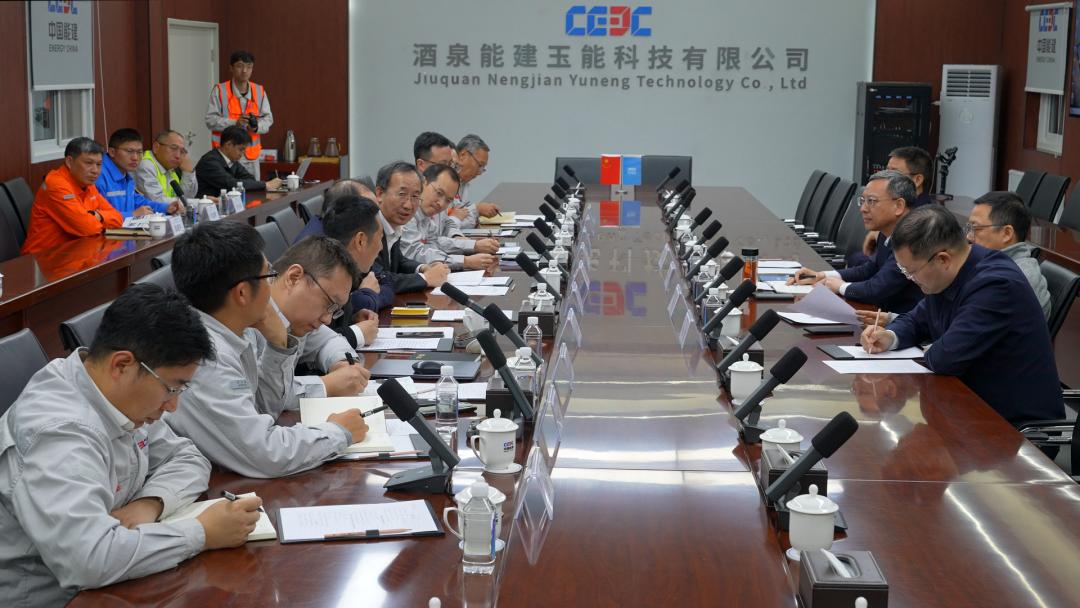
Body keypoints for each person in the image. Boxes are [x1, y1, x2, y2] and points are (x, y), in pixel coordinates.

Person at [0, 284, 261, 607]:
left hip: (112, 584)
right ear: (121, 365)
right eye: (171, 388)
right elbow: (89, 560)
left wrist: (150, 504)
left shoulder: (115, 395)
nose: (172, 406)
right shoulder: (58, 432)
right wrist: (202, 533)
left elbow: (188, 456)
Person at [164, 221, 368, 479]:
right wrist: (338, 432)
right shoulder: (206, 356)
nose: (274, 284)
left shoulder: (239, 331)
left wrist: (279, 345)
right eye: (269, 275)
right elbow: (265, 453)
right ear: (242, 293)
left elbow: (262, 409)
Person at [860, 206, 1064, 425]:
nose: (909, 278)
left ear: (943, 259)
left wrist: (933, 347)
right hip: (966, 408)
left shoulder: (996, 285)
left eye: (911, 271)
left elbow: (945, 358)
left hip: (1012, 425)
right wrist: (889, 336)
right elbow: (916, 320)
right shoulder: (947, 274)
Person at [790, 170, 924, 313]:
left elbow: (876, 289)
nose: (863, 209)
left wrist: (840, 287)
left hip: (904, 321)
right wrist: (822, 276)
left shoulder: (913, 238)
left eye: (871, 201)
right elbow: (869, 269)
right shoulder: (888, 230)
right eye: (862, 201)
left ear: (899, 206)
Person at [266, 236, 373, 407]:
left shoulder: (296, 318)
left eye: (334, 310)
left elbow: (329, 340)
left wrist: (342, 364)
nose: (327, 319)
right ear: (294, 278)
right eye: (328, 303)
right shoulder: (249, 316)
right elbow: (261, 398)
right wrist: (326, 385)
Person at [293, 177, 394, 312]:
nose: (375, 215)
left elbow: (385, 280)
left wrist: (365, 298)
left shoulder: (347, 240)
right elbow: (327, 315)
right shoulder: (316, 253)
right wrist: (364, 298)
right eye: (366, 207)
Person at [21, 137, 123, 255]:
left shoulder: (87, 183)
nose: (95, 170)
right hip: (43, 258)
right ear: (69, 162)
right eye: (89, 163)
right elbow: (88, 229)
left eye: (99, 164)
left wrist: (98, 216)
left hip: (75, 252)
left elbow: (118, 218)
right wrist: (98, 220)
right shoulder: (56, 185)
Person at [965, 191, 1052, 319]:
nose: (968, 236)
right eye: (969, 228)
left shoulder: (1015, 279)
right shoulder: (989, 264)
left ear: (1006, 233)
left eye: (976, 228)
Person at [401, 163, 500, 270]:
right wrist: (465, 261)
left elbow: (435, 244)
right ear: (423, 183)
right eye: (439, 193)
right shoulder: (405, 212)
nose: (441, 204)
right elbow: (415, 253)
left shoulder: (426, 216)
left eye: (448, 200)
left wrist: (472, 246)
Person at [374, 161, 450, 292]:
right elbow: (378, 280)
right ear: (380, 193)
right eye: (401, 194)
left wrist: (423, 268)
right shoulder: (369, 228)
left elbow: (398, 261)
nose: (408, 205)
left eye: (415, 196)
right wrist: (426, 278)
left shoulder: (393, 224)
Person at [321, 194, 386, 348]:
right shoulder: (321, 276)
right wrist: (355, 334)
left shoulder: (342, 268)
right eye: (380, 238)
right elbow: (307, 343)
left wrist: (351, 319)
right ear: (360, 241)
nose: (381, 247)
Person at [856, 146, 935, 264]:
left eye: (894, 173)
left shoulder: (921, 222)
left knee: (857, 260)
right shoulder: (888, 214)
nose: (887, 176)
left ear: (917, 180)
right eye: (887, 171)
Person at [205, 50, 272, 180]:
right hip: (226, 156)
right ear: (231, 68)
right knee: (229, 190)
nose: (244, 71)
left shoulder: (259, 91)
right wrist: (234, 122)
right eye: (240, 66)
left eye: (249, 66)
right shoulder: (220, 90)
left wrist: (256, 127)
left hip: (251, 157)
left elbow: (268, 119)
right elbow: (210, 120)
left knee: (254, 189)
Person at [97, 128, 183, 218]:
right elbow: (96, 216)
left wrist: (166, 208)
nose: (135, 158)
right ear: (112, 152)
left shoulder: (125, 174)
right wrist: (131, 215)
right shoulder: (98, 174)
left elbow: (138, 201)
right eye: (129, 151)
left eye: (139, 152)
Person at [194, 125, 282, 197]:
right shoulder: (209, 162)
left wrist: (239, 183)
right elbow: (231, 184)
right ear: (228, 144)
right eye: (241, 149)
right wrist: (265, 185)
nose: (242, 154)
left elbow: (250, 179)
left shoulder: (232, 161)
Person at [294, 177, 377, 244]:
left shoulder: (332, 229)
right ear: (347, 212)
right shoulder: (320, 251)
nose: (377, 220)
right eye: (371, 214)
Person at [448, 134, 501, 229]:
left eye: (483, 168)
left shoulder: (463, 183)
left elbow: (461, 217)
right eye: (480, 165)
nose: (480, 173)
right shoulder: (446, 182)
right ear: (463, 155)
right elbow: (449, 223)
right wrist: (477, 209)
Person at [135, 130, 199, 205]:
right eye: (173, 148)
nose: (178, 156)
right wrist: (199, 202)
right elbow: (157, 201)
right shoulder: (146, 166)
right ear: (156, 147)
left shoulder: (170, 168)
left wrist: (188, 173)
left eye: (182, 151)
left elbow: (184, 198)